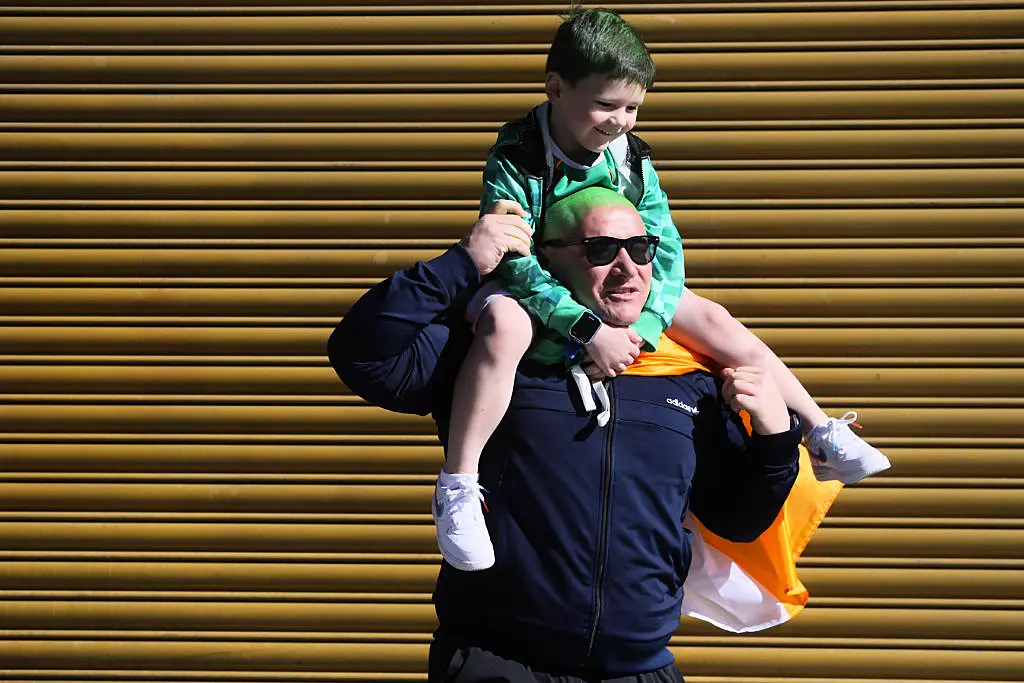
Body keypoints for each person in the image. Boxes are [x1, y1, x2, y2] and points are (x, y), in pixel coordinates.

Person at [436, 7, 889, 570]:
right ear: (555, 89)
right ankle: (458, 484)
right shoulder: (518, 155)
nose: (620, 121)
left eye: (632, 107)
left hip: (617, 294)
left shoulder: (632, 157)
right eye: (606, 105)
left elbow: (665, 251)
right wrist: (585, 329)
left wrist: (641, 328)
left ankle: (819, 432)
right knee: (502, 329)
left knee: (718, 321)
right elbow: (514, 257)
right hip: (536, 291)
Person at [329, 187, 803, 682]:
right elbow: (362, 353)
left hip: (638, 670)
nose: (628, 268)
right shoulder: (491, 353)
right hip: (502, 665)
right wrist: (462, 263)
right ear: (547, 260)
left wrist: (774, 437)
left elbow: (738, 520)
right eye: (601, 251)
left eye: (641, 250)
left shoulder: (683, 371)